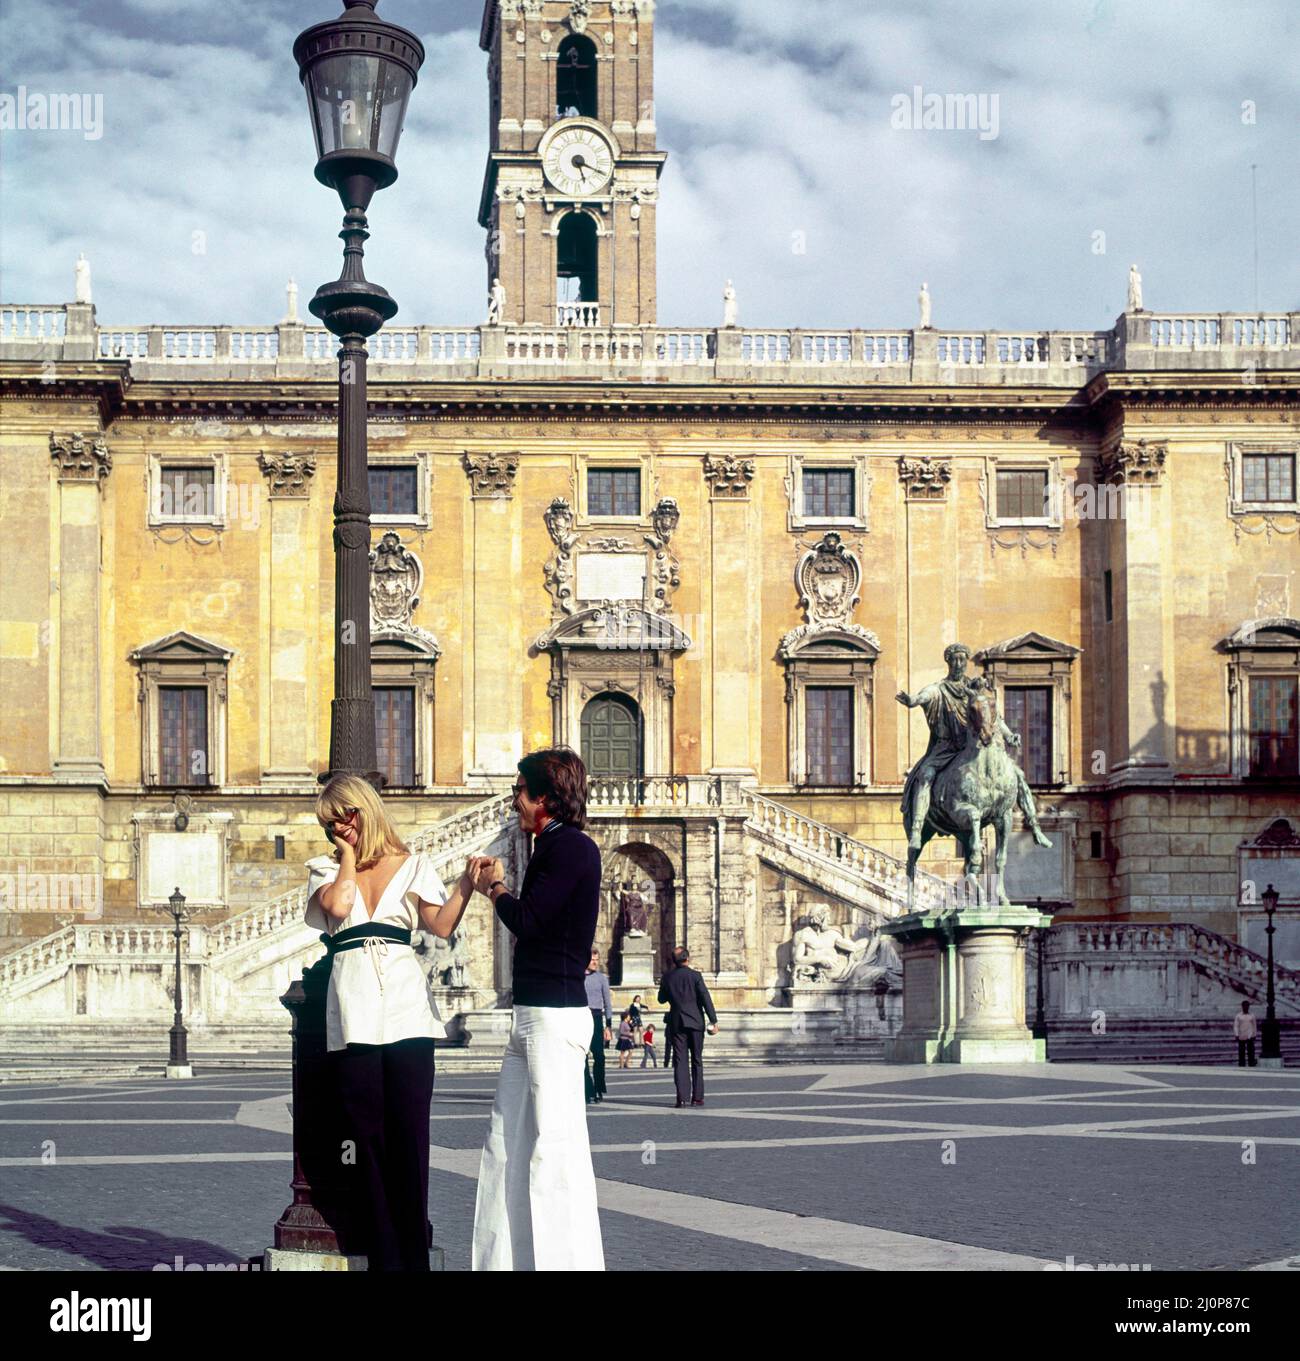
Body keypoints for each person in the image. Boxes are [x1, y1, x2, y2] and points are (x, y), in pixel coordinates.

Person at [304, 774, 478, 1272]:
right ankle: (384, 1259)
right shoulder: (323, 869)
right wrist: (345, 858)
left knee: (409, 1137)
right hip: (355, 1012)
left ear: (364, 810)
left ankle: (413, 1257)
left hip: (406, 1010)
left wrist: (465, 884)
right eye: (330, 821)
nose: (339, 826)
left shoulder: (414, 864)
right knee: (368, 1140)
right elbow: (338, 907)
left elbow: (440, 926)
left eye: (345, 816)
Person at [470, 747, 605, 1271]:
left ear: (544, 798)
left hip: (553, 1017)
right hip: (533, 1015)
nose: (514, 801)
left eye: (519, 791)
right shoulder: (550, 846)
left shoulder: (570, 848)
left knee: (553, 1152)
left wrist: (494, 887)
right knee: (505, 1144)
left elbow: (529, 920)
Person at [657, 946, 719, 1108]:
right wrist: (713, 1020)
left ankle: (682, 1097)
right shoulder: (695, 976)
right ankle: (697, 1097)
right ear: (687, 958)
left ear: (674, 960)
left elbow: (661, 999)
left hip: (677, 1023)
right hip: (696, 1022)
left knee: (680, 1060)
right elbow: (706, 998)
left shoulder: (667, 977)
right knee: (697, 1059)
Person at [584, 949, 612, 1104]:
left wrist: (608, 1025)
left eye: (597, 959)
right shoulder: (578, 978)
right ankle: (588, 1089)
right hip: (581, 1017)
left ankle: (599, 1087)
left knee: (599, 1056)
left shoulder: (602, 978)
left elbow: (607, 1002)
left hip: (596, 1017)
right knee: (582, 1057)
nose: (595, 962)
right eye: (592, 959)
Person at [1234, 1001, 1258, 1067]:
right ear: (1242, 1006)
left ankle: (1251, 1063)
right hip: (1241, 1035)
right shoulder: (1238, 1016)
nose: (1246, 1007)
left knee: (1251, 1051)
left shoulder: (1252, 1015)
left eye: (1247, 1006)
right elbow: (1236, 1025)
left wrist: (1255, 1034)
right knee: (1241, 1051)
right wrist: (1236, 1034)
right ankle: (1242, 1064)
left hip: (1250, 1035)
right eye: (1244, 1006)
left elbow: (1254, 1026)